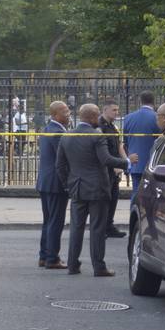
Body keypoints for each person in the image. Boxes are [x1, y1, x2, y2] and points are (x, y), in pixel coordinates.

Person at [56, 103, 129, 276]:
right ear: (91, 117)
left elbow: (59, 166)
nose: (98, 119)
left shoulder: (66, 136)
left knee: (76, 228)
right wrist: (126, 162)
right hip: (98, 189)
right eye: (96, 116)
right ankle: (99, 267)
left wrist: (68, 184)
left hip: (77, 188)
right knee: (97, 229)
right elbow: (106, 160)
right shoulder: (97, 136)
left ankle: (73, 265)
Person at [36, 101, 70, 269]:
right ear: (55, 115)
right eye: (65, 112)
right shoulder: (57, 133)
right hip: (56, 184)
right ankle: (52, 258)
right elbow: (63, 160)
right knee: (55, 222)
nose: (68, 114)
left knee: (48, 221)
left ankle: (44, 256)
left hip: (45, 182)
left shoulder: (48, 130)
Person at [97, 101, 127, 238]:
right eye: (114, 110)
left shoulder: (113, 127)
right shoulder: (99, 126)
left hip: (115, 168)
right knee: (104, 200)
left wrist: (125, 162)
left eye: (117, 110)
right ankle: (101, 228)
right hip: (105, 169)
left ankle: (109, 226)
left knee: (113, 198)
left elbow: (119, 145)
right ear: (105, 110)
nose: (117, 112)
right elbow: (101, 152)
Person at [123, 92, 158, 200]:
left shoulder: (128, 117)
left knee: (136, 192)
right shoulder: (157, 118)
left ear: (140, 101)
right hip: (153, 164)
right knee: (153, 196)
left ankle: (133, 215)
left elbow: (126, 141)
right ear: (154, 101)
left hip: (135, 162)